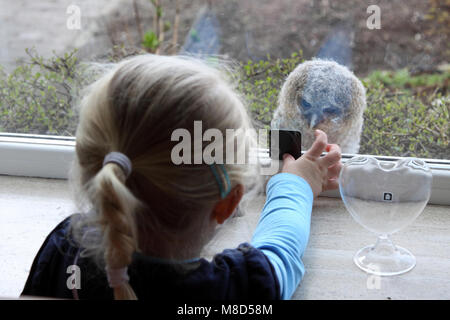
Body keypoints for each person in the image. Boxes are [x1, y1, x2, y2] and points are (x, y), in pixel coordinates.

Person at [21, 55, 341, 300]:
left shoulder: (64, 247)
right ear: (227, 204)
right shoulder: (222, 294)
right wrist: (296, 183)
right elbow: (281, 253)